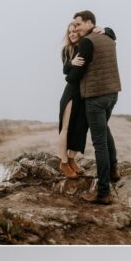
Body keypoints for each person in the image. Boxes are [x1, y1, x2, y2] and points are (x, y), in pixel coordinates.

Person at [71, 11, 121, 205]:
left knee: (99, 143)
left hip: (95, 97)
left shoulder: (86, 42)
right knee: (104, 130)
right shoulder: (108, 37)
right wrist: (107, 29)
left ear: (90, 22)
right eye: (74, 25)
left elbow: (76, 74)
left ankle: (103, 192)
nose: (76, 28)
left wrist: (68, 68)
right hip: (112, 94)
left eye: (78, 24)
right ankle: (114, 169)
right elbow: (112, 32)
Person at [58, 19, 88, 180]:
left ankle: (71, 159)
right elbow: (66, 72)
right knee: (66, 127)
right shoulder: (66, 50)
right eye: (70, 32)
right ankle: (63, 162)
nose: (72, 34)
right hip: (71, 92)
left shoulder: (86, 46)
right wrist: (72, 62)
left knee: (80, 129)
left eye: (75, 31)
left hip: (84, 93)